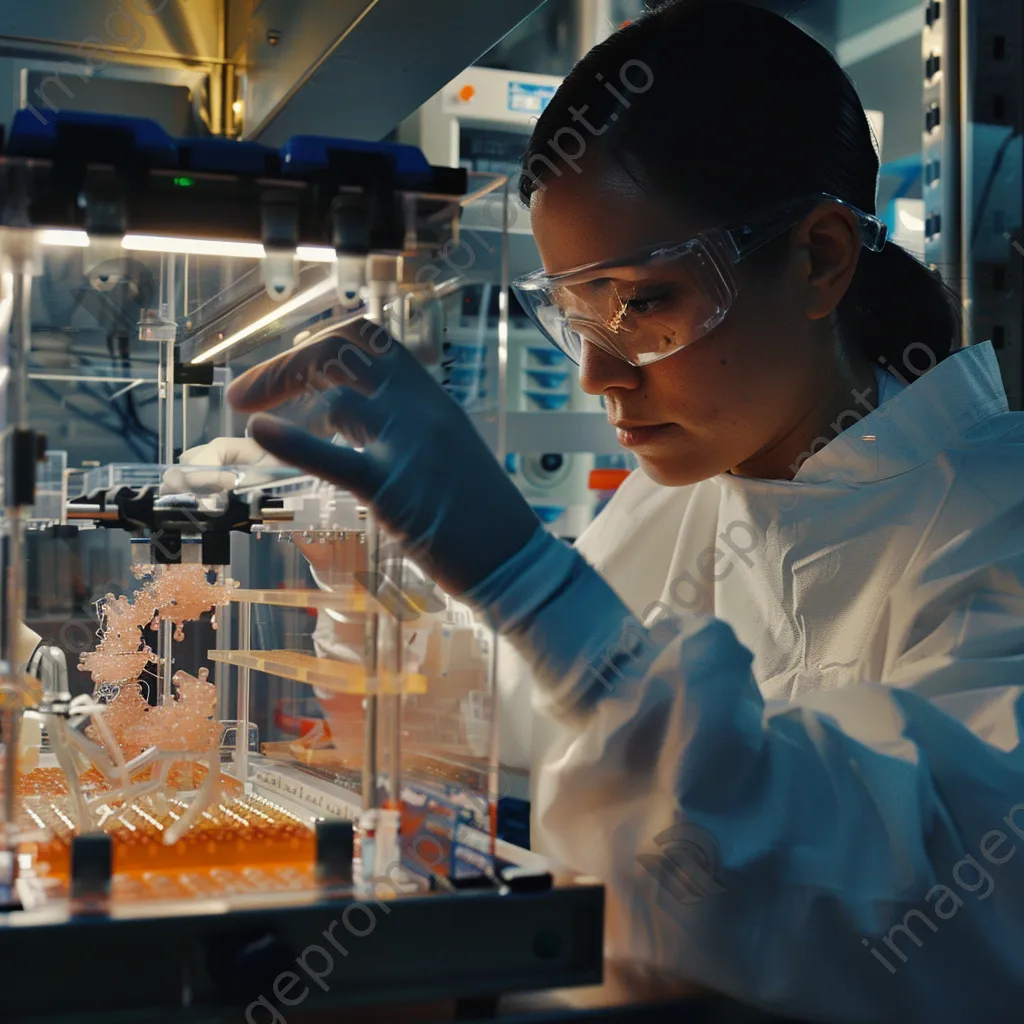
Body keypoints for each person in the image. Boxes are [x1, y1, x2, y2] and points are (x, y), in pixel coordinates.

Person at [226, 2, 1024, 1020]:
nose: (601, 374)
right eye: (573, 314)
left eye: (644, 301)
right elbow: (522, 707)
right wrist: (358, 611)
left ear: (819, 258)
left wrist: (524, 571)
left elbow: (924, 901)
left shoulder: (994, 510)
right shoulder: (684, 496)